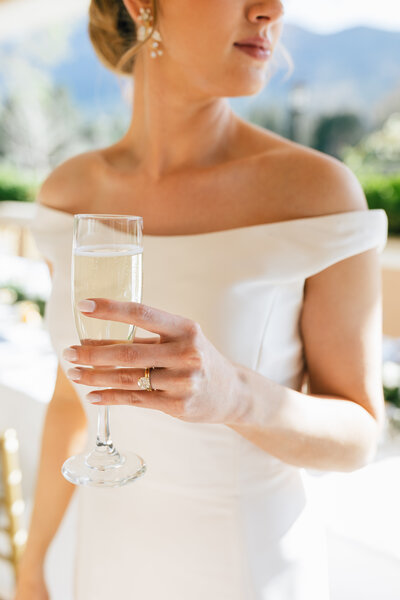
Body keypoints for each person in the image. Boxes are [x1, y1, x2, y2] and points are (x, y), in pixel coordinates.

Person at [16, 1, 388, 598]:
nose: (270, 10)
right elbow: (73, 398)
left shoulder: (314, 194)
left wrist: (235, 395)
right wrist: (32, 568)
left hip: (243, 565)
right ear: (142, 5)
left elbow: (360, 436)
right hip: (106, 555)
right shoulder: (70, 192)